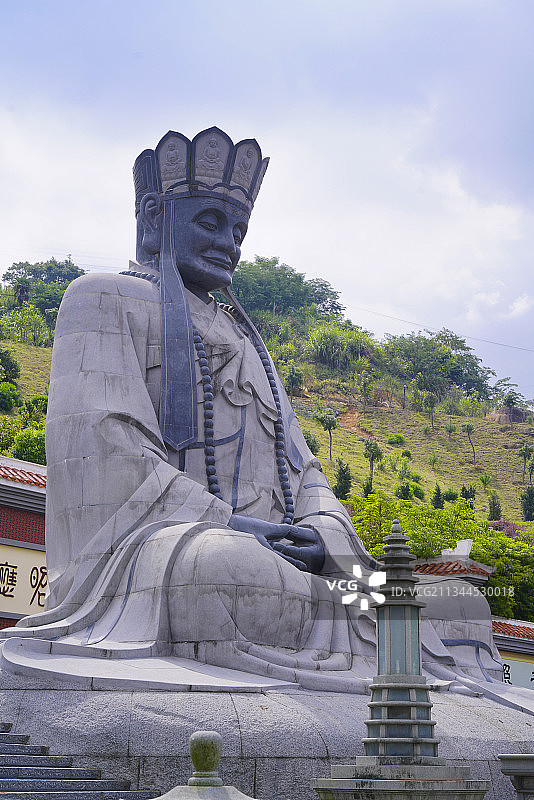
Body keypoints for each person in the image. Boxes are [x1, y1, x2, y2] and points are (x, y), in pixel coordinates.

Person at [0, 127, 502, 693]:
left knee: (457, 603)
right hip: (175, 550)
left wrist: (321, 533)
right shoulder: (102, 298)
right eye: (210, 223)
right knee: (223, 571)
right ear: (151, 217)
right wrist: (235, 526)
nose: (229, 244)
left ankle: (351, 632)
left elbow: (305, 472)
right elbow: (108, 452)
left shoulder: (248, 342)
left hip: (294, 564)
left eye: (239, 230)